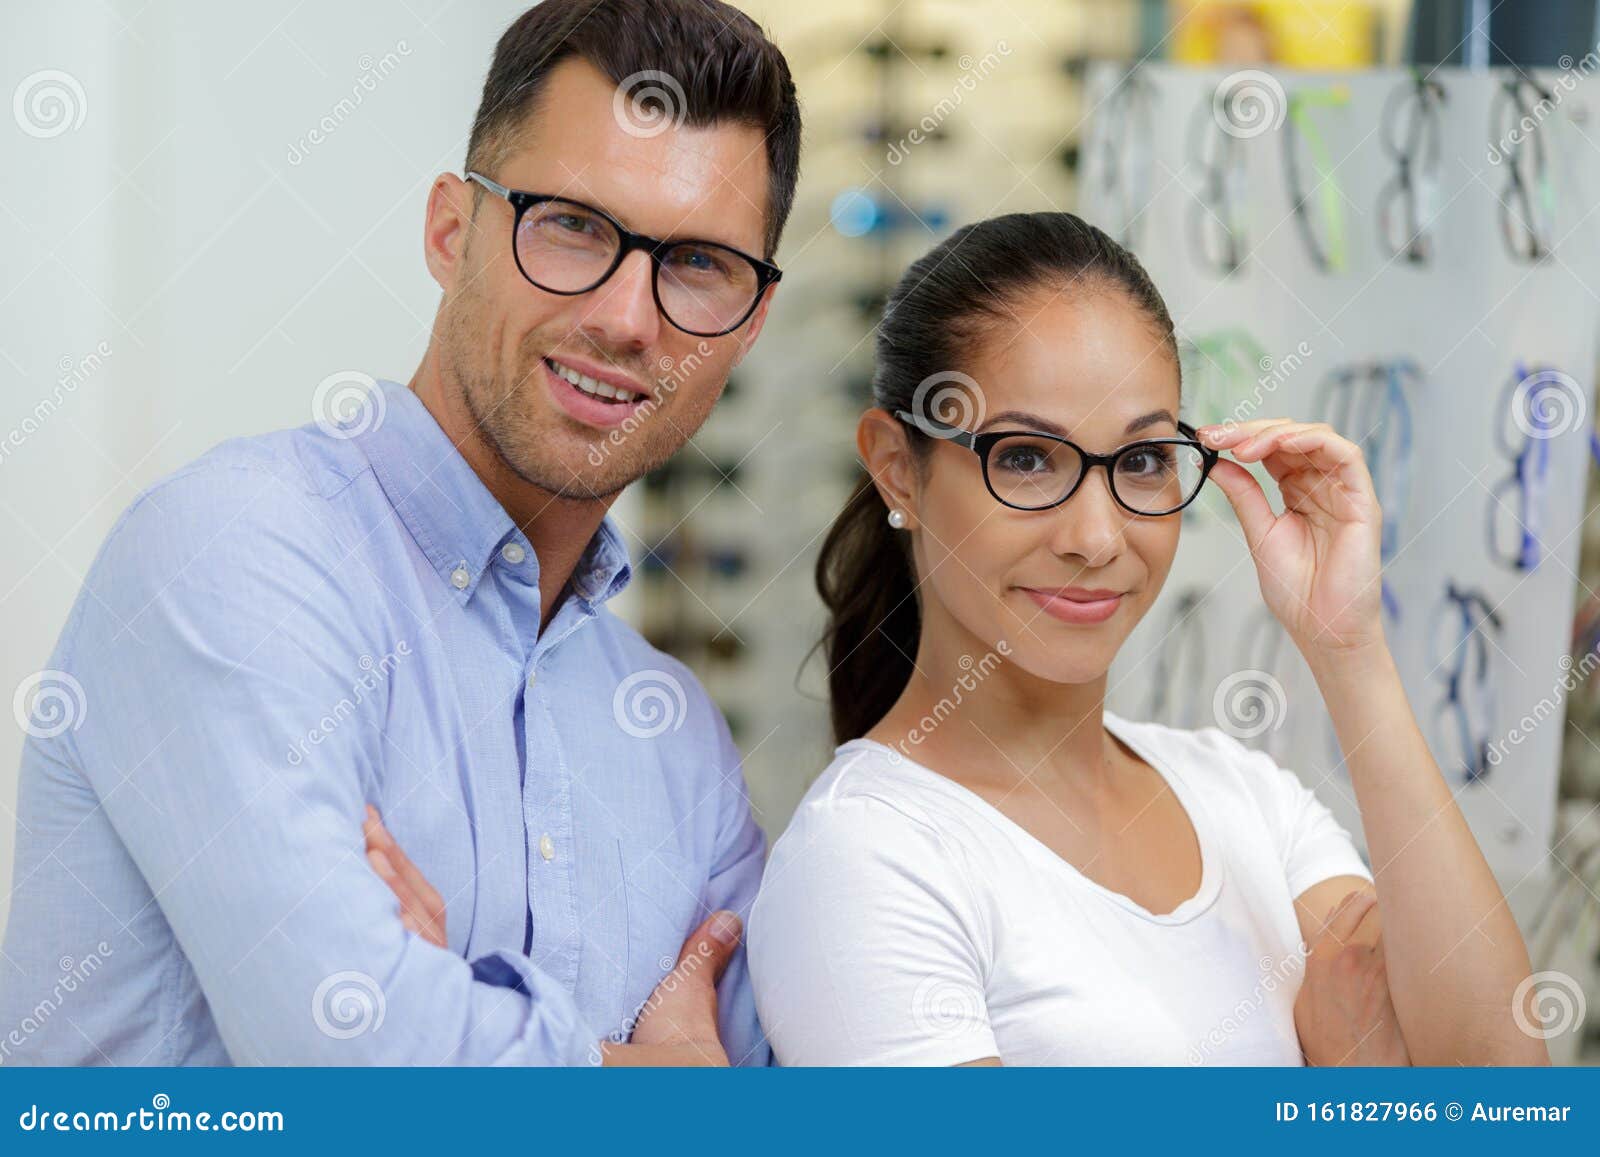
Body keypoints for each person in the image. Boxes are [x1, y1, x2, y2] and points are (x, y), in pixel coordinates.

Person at [0, 0, 799, 1066]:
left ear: (749, 326)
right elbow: (357, 1057)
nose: (626, 318)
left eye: (697, 263)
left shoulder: (677, 742)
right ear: (450, 232)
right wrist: (659, 1086)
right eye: (572, 225)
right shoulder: (233, 554)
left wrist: (447, 1015)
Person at [745, 212, 1550, 1066]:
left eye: (1140, 461)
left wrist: (1348, 650)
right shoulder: (864, 858)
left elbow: (1505, 1093)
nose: (1096, 537)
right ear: (897, 468)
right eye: (1026, 458)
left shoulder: (1249, 800)